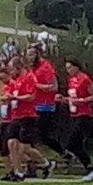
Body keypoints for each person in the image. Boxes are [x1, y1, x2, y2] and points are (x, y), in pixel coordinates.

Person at [26, 45, 68, 173]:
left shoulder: (46, 67)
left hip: (45, 105)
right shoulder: (31, 68)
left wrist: (37, 85)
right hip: (33, 105)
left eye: (32, 55)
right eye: (28, 55)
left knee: (41, 135)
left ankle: (64, 153)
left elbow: (54, 87)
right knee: (27, 137)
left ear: (38, 54)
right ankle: (32, 166)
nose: (29, 58)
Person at [63, 58, 93, 182]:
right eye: (67, 68)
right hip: (74, 113)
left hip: (84, 114)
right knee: (75, 144)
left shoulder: (84, 79)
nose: (68, 71)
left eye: (70, 67)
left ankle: (90, 167)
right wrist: (64, 100)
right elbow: (72, 98)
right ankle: (89, 168)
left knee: (72, 142)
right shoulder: (70, 80)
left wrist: (82, 101)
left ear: (76, 67)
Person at [4, 56, 40, 181]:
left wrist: (17, 98)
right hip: (17, 115)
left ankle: (44, 163)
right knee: (10, 142)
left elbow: (31, 97)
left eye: (12, 69)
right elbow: (12, 94)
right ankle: (17, 171)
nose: (11, 72)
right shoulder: (17, 81)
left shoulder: (30, 78)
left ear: (19, 68)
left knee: (24, 147)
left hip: (28, 115)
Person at [0, 67, 15, 180]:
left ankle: (19, 168)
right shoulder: (4, 87)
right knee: (2, 147)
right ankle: (9, 170)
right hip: (5, 118)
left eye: (3, 78)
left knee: (12, 145)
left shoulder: (14, 85)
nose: (2, 81)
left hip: (13, 118)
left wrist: (9, 98)